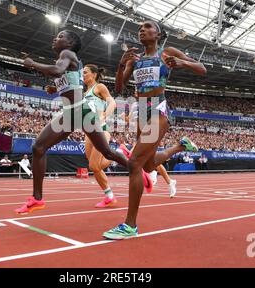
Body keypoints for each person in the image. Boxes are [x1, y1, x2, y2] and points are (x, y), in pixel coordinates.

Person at [104, 20, 206, 240]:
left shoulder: (166, 52)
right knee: (149, 164)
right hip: (140, 111)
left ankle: (130, 225)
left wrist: (180, 63)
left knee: (134, 163)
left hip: (159, 111)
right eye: (139, 28)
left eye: (147, 27)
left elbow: (202, 68)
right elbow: (120, 88)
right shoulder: (135, 59)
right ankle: (181, 145)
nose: (141, 30)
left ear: (158, 34)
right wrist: (122, 64)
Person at [15, 30, 129, 215]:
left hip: (81, 112)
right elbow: (71, 82)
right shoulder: (67, 58)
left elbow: (58, 70)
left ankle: (137, 169)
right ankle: (37, 199)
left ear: (69, 43)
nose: (55, 38)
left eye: (60, 36)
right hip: (70, 113)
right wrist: (56, 87)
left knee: (106, 152)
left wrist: (32, 63)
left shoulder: (66, 54)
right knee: (38, 147)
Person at [83, 64, 118, 208]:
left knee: (93, 165)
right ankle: (109, 196)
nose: (83, 75)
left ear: (94, 74)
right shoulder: (85, 92)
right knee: (95, 168)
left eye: (85, 72)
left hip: (101, 130)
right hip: (88, 132)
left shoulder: (99, 87)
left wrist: (105, 114)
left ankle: (118, 154)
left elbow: (112, 103)